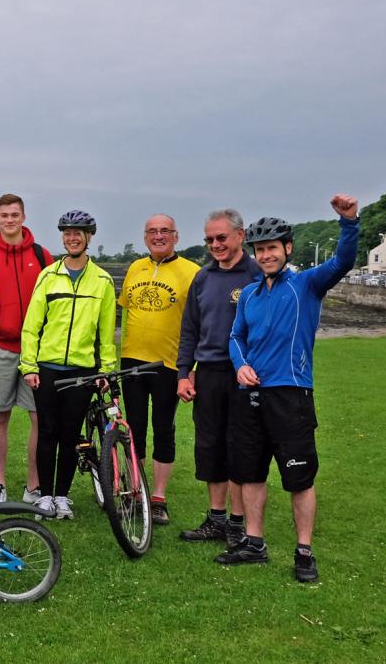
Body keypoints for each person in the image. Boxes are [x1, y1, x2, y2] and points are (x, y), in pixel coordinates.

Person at [219, 195, 359, 583]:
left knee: (299, 478)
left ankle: (303, 551)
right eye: (260, 249)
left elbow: (343, 261)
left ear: (287, 248)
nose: (266, 255)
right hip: (251, 396)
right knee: (250, 474)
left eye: (272, 248)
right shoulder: (248, 294)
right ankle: (254, 543)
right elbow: (235, 337)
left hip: (291, 394)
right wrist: (240, 365)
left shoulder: (306, 284)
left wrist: (349, 223)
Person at [20, 210, 117, 520]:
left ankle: (62, 496)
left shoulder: (102, 280)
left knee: (70, 433)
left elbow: (106, 332)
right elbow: (32, 326)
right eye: (67, 233)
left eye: (78, 233)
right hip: (48, 368)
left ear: (89, 237)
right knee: (47, 431)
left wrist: (106, 369)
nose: (72, 237)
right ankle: (45, 496)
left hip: (82, 370)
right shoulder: (48, 276)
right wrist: (29, 366)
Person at [175, 209, 258, 548]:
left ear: (240, 235)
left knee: (239, 446)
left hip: (244, 374)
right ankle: (216, 518)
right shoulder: (203, 277)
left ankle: (238, 524)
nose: (215, 244)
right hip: (207, 373)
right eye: (209, 239)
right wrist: (184, 373)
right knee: (209, 445)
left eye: (221, 238)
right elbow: (189, 329)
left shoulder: (257, 274)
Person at [0, 194, 55, 503]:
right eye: (4, 215)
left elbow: (53, 303)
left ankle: (33, 486)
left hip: (36, 352)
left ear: (24, 216)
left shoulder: (43, 256)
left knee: (38, 418)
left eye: (14, 214)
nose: (10, 220)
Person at [117, 214, 200, 525]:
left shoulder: (192, 272)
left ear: (176, 236)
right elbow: (126, 312)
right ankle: (135, 491)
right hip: (132, 361)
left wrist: (191, 368)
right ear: (145, 236)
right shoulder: (134, 268)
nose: (159, 235)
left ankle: (159, 498)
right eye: (152, 231)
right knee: (133, 429)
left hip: (169, 363)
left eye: (165, 231)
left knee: (163, 427)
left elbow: (200, 323)